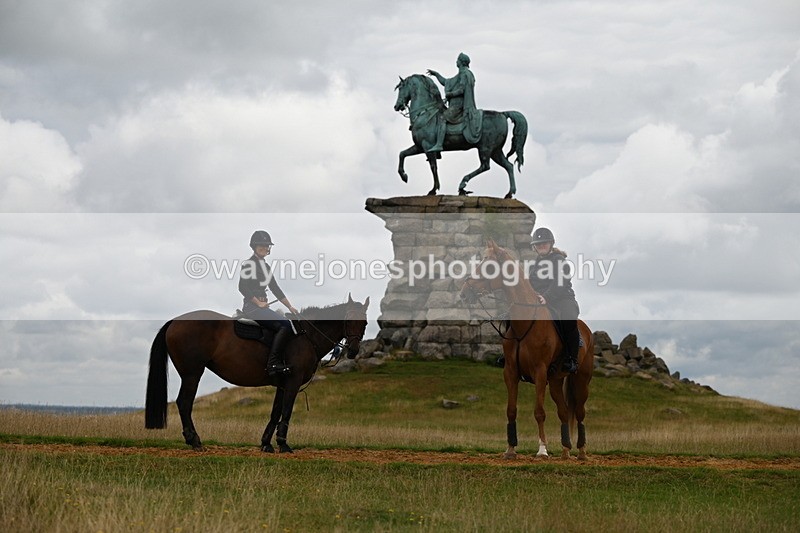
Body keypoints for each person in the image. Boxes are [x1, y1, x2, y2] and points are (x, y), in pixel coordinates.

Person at [238, 230, 299, 377]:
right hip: (252, 307)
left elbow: (275, 289)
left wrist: (290, 306)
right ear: (254, 246)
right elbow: (242, 287)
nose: (264, 248)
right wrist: (258, 302)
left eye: (266, 245)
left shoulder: (266, 267)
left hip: (263, 306)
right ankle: (273, 364)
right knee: (285, 325)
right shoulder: (248, 264)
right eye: (261, 245)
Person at [528, 227, 580, 374]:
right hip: (540, 300)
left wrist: (547, 297)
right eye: (538, 244)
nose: (541, 246)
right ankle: (512, 354)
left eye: (544, 243)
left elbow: (560, 282)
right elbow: (529, 285)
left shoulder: (560, 260)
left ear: (551, 244)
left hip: (562, 299)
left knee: (569, 320)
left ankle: (572, 359)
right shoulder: (534, 266)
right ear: (534, 247)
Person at [426, 52, 483, 151]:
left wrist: (450, 94)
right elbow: (446, 82)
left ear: (461, 62)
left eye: (457, 60)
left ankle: (439, 144)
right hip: (456, 105)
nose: (456, 61)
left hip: (459, 106)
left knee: (442, 118)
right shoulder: (461, 74)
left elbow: (462, 90)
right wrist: (436, 74)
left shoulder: (465, 74)